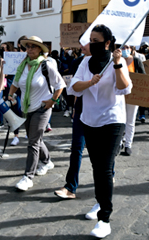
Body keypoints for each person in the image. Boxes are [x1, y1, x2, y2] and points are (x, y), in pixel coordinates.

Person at [68, 24, 132, 239]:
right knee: (97, 167)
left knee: (105, 167)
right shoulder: (85, 62)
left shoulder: (117, 62)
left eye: (96, 40)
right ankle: (100, 201)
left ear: (107, 43)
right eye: (90, 40)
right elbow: (73, 87)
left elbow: (124, 88)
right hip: (89, 119)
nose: (91, 44)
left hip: (112, 121)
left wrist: (116, 64)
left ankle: (105, 218)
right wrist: (88, 82)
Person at [8, 36, 65, 191]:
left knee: (32, 142)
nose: (30, 49)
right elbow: (15, 83)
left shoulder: (46, 65)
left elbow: (60, 85)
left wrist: (53, 101)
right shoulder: (23, 65)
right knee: (36, 139)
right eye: (28, 46)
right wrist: (10, 95)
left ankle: (28, 176)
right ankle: (47, 161)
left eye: (33, 46)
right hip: (27, 108)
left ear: (40, 49)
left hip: (43, 108)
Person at [54, 37, 91, 200]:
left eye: (87, 42)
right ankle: (70, 186)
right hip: (82, 109)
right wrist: (75, 107)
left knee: (101, 150)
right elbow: (75, 87)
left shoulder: (110, 62)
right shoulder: (79, 63)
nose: (81, 46)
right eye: (81, 42)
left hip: (101, 112)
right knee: (76, 147)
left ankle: (109, 172)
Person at [120, 44, 146, 156]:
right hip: (119, 95)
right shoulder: (116, 61)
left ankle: (128, 145)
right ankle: (119, 142)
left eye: (127, 47)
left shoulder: (136, 60)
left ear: (131, 49)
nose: (125, 50)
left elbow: (143, 78)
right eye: (122, 47)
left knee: (130, 121)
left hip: (133, 95)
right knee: (119, 120)